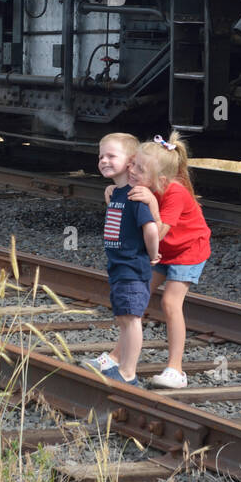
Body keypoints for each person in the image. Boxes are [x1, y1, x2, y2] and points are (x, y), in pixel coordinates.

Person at [128, 132, 212, 389]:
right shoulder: (142, 185)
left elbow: (160, 229)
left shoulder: (174, 192)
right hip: (163, 251)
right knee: (136, 297)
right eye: (132, 163)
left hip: (189, 250)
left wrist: (152, 203)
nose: (131, 171)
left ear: (160, 180)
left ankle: (176, 370)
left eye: (139, 168)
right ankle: (117, 357)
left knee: (170, 302)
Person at [82, 131, 159, 386]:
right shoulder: (116, 191)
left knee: (132, 319)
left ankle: (128, 372)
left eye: (111, 156)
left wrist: (153, 253)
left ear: (130, 161)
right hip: (118, 266)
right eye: (101, 156)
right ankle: (121, 366)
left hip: (132, 267)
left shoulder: (137, 196)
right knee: (124, 318)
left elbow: (150, 228)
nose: (104, 160)